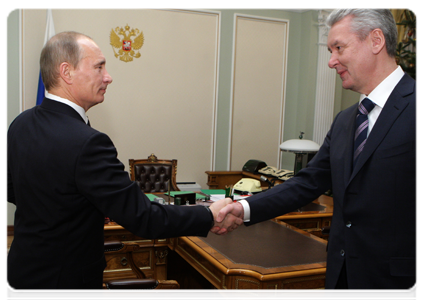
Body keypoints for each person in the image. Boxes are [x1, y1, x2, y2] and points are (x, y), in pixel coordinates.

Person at [5, 31, 241, 300]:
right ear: (66, 72)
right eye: (99, 67)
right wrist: (209, 214)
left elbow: (12, 189)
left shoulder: (20, 124)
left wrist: (72, 207)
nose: (108, 76)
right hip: (65, 285)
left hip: (20, 276)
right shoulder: (88, 142)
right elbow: (144, 218)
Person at [213, 8, 419, 300]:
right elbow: (307, 183)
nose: (331, 61)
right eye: (329, 50)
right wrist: (243, 208)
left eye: (339, 48)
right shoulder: (346, 120)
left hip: (399, 287)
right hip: (341, 281)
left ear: (375, 41)